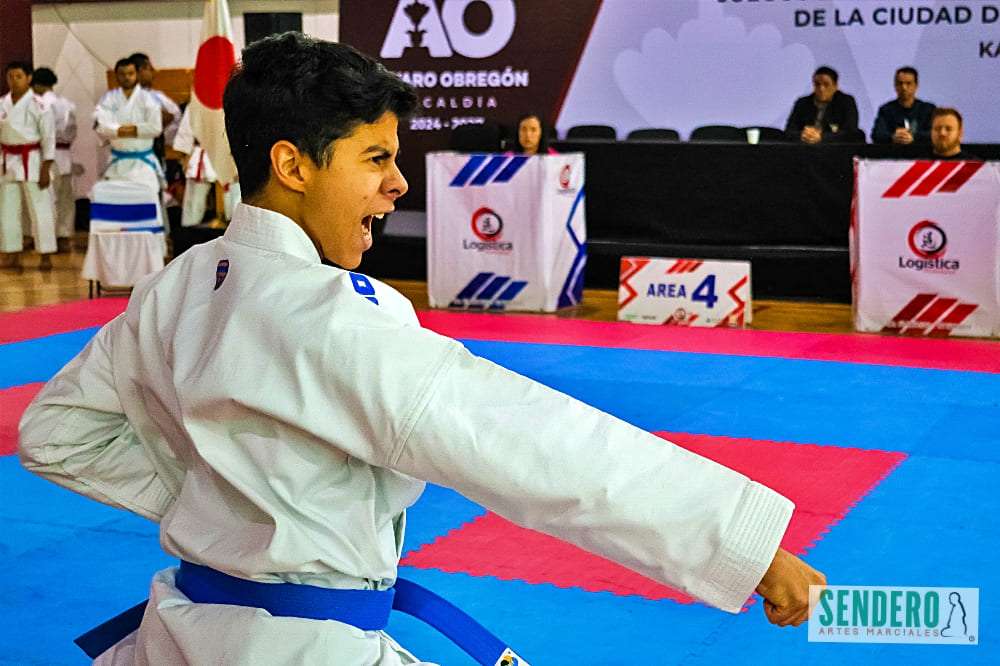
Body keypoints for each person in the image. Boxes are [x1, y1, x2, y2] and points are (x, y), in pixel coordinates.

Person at [20, 33, 825, 665]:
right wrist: (742, 549)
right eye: (376, 159)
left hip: (177, 634)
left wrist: (225, 510)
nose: (398, 184)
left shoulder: (178, 285)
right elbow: (535, 445)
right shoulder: (338, 320)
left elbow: (55, 433)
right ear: (293, 165)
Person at [0, 61, 56, 272]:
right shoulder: (2, 103)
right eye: (10, 77)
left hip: (32, 159)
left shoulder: (39, 104)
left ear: (29, 78)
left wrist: (46, 167)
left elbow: (48, 137)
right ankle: (11, 252)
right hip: (8, 160)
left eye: (18, 76)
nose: (14, 81)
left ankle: (46, 254)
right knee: (7, 209)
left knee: (40, 209)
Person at [94, 57, 163, 197]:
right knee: (115, 200)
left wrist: (118, 130)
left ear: (136, 74)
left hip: (143, 164)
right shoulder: (108, 99)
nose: (126, 77)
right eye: (122, 74)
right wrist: (136, 130)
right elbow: (101, 127)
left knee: (146, 200)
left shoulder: (148, 98)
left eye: (130, 73)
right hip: (117, 163)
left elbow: (155, 128)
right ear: (116, 76)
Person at [31, 67, 77, 253]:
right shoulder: (67, 104)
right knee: (66, 198)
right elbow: (72, 132)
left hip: (44, 155)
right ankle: (64, 236)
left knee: (47, 198)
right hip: (64, 154)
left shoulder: (37, 104)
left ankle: (46, 238)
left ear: (35, 84)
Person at [172, 105, 240, 226]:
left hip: (230, 154)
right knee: (194, 204)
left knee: (235, 201)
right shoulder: (199, 100)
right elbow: (186, 132)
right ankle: (190, 231)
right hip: (202, 154)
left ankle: (236, 229)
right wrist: (185, 156)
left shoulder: (238, 98)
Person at [784, 66, 860, 144]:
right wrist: (803, 135)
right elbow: (789, 130)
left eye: (826, 84)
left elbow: (850, 132)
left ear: (835, 86)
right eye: (817, 84)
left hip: (833, 147)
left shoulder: (846, 102)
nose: (821, 89)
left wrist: (822, 137)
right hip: (804, 146)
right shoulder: (802, 103)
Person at [871, 67, 935, 145]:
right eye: (900, 83)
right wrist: (893, 137)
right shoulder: (886, 110)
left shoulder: (928, 109)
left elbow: (934, 134)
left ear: (916, 86)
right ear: (895, 86)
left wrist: (914, 137)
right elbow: (877, 134)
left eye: (908, 83)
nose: (904, 87)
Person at [129, 53, 180, 151]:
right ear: (141, 70)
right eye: (150, 69)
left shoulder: (153, 94)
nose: (153, 72)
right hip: (158, 145)